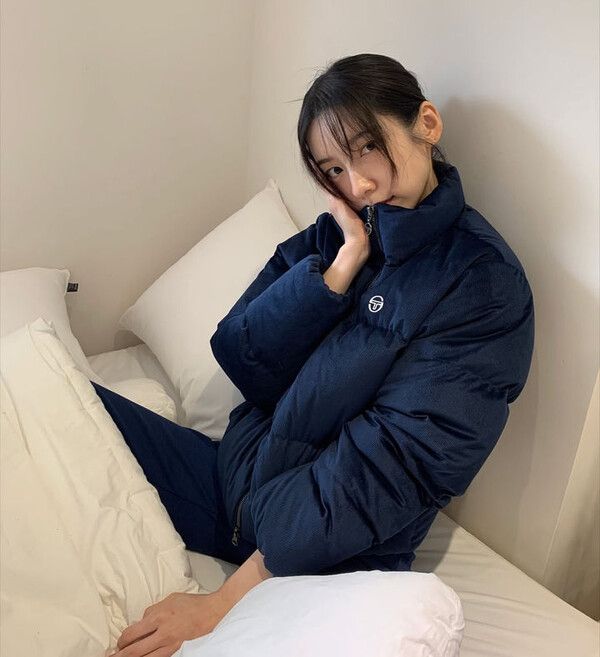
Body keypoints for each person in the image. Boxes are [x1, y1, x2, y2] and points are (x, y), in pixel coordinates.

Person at [100, 52, 535, 656]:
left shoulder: (483, 283)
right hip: (238, 485)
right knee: (54, 401)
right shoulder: (340, 232)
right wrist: (337, 272)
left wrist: (225, 602)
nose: (356, 184)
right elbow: (240, 353)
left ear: (427, 124)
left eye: (366, 149)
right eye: (333, 168)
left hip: (324, 555)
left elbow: (388, 469)